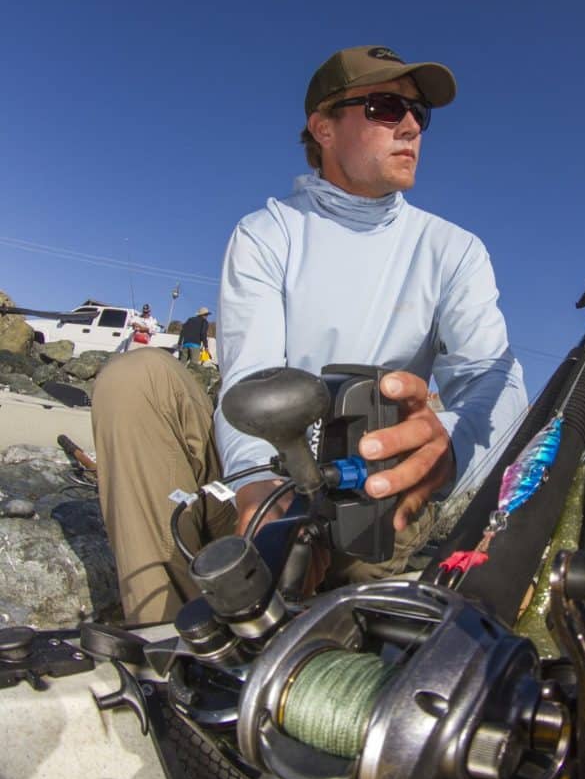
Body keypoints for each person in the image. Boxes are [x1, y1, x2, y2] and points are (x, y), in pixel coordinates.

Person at [92, 44, 527, 624]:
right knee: (134, 379)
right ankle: (164, 644)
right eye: (384, 106)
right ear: (322, 127)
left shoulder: (453, 251)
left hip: (373, 502)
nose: (410, 126)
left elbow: (497, 385)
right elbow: (247, 378)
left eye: (420, 114)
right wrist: (259, 493)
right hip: (265, 483)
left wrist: (444, 448)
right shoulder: (266, 233)